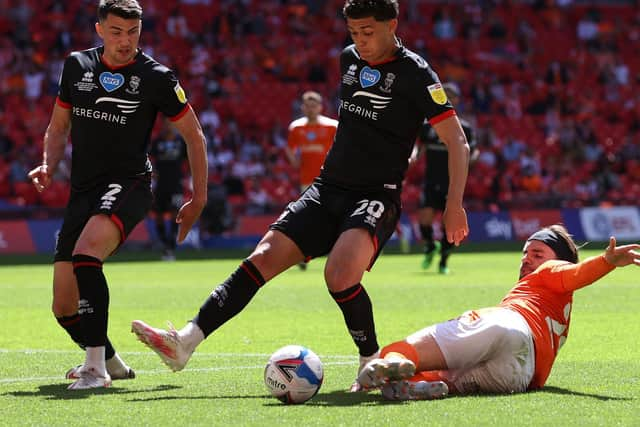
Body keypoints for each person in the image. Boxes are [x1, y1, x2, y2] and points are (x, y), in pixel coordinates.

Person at [131, 0, 470, 391]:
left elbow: (456, 141)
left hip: (376, 194)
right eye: (353, 32)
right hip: (327, 189)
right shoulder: (349, 60)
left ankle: (370, 363)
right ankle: (184, 343)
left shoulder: (416, 73)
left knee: (340, 275)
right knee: (261, 258)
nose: (359, 41)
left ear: (392, 24)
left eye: (368, 32)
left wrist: (453, 204)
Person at [28, 0, 208, 390]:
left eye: (133, 33)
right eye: (116, 32)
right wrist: (47, 163)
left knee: (87, 255)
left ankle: (94, 370)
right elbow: (58, 127)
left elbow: (194, 135)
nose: (125, 41)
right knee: (63, 307)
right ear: (99, 29)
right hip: (83, 191)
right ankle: (112, 360)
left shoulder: (157, 77)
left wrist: (199, 197)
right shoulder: (77, 66)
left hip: (129, 185)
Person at [356, 225, 640, 400]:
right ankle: (409, 385)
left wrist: (605, 262)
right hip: (517, 376)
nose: (527, 259)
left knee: (406, 349)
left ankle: (389, 361)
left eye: (537, 253)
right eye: (525, 254)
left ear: (557, 261)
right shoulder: (561, 314)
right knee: (447, 376)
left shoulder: (552, 271)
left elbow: (575, 273)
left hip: (509, 325)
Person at [413, 82, 478, 274]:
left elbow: (473, 151)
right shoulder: (427, 126)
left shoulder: (464, 128)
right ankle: (430, 247)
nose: (448, 99)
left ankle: (443, 262)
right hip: (431, 180)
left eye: (452, 96)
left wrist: (470, 160)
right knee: (424, 216)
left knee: (447, 223)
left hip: (452, 183)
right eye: (445, 95)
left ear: (457, 100)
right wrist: (415, 155)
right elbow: (420, 145)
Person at [285, 90, 338, 270]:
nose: (310, 109)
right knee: (307, 217)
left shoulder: (332, 126)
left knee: (334, 215)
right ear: (302, 108)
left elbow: (341, 148)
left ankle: (338, 251)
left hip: (331, 179)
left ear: (320, 107)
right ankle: (302, 253)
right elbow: (290, 150)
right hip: (307, 180)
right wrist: (295, 161)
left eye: (313, 105)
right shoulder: (296, 128)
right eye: (307, 106)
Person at [150, 122, 187, 261]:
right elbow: (150, 159)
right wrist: (153, 173)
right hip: (160, 186)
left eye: (170, 124)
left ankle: (170, 247)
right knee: (158, 215)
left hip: (176, 185)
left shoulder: (180, 142)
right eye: (165, 124)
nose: (167, 127)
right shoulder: (157, 142)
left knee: (174, 214)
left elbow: (188, 160)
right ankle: (164, 243)